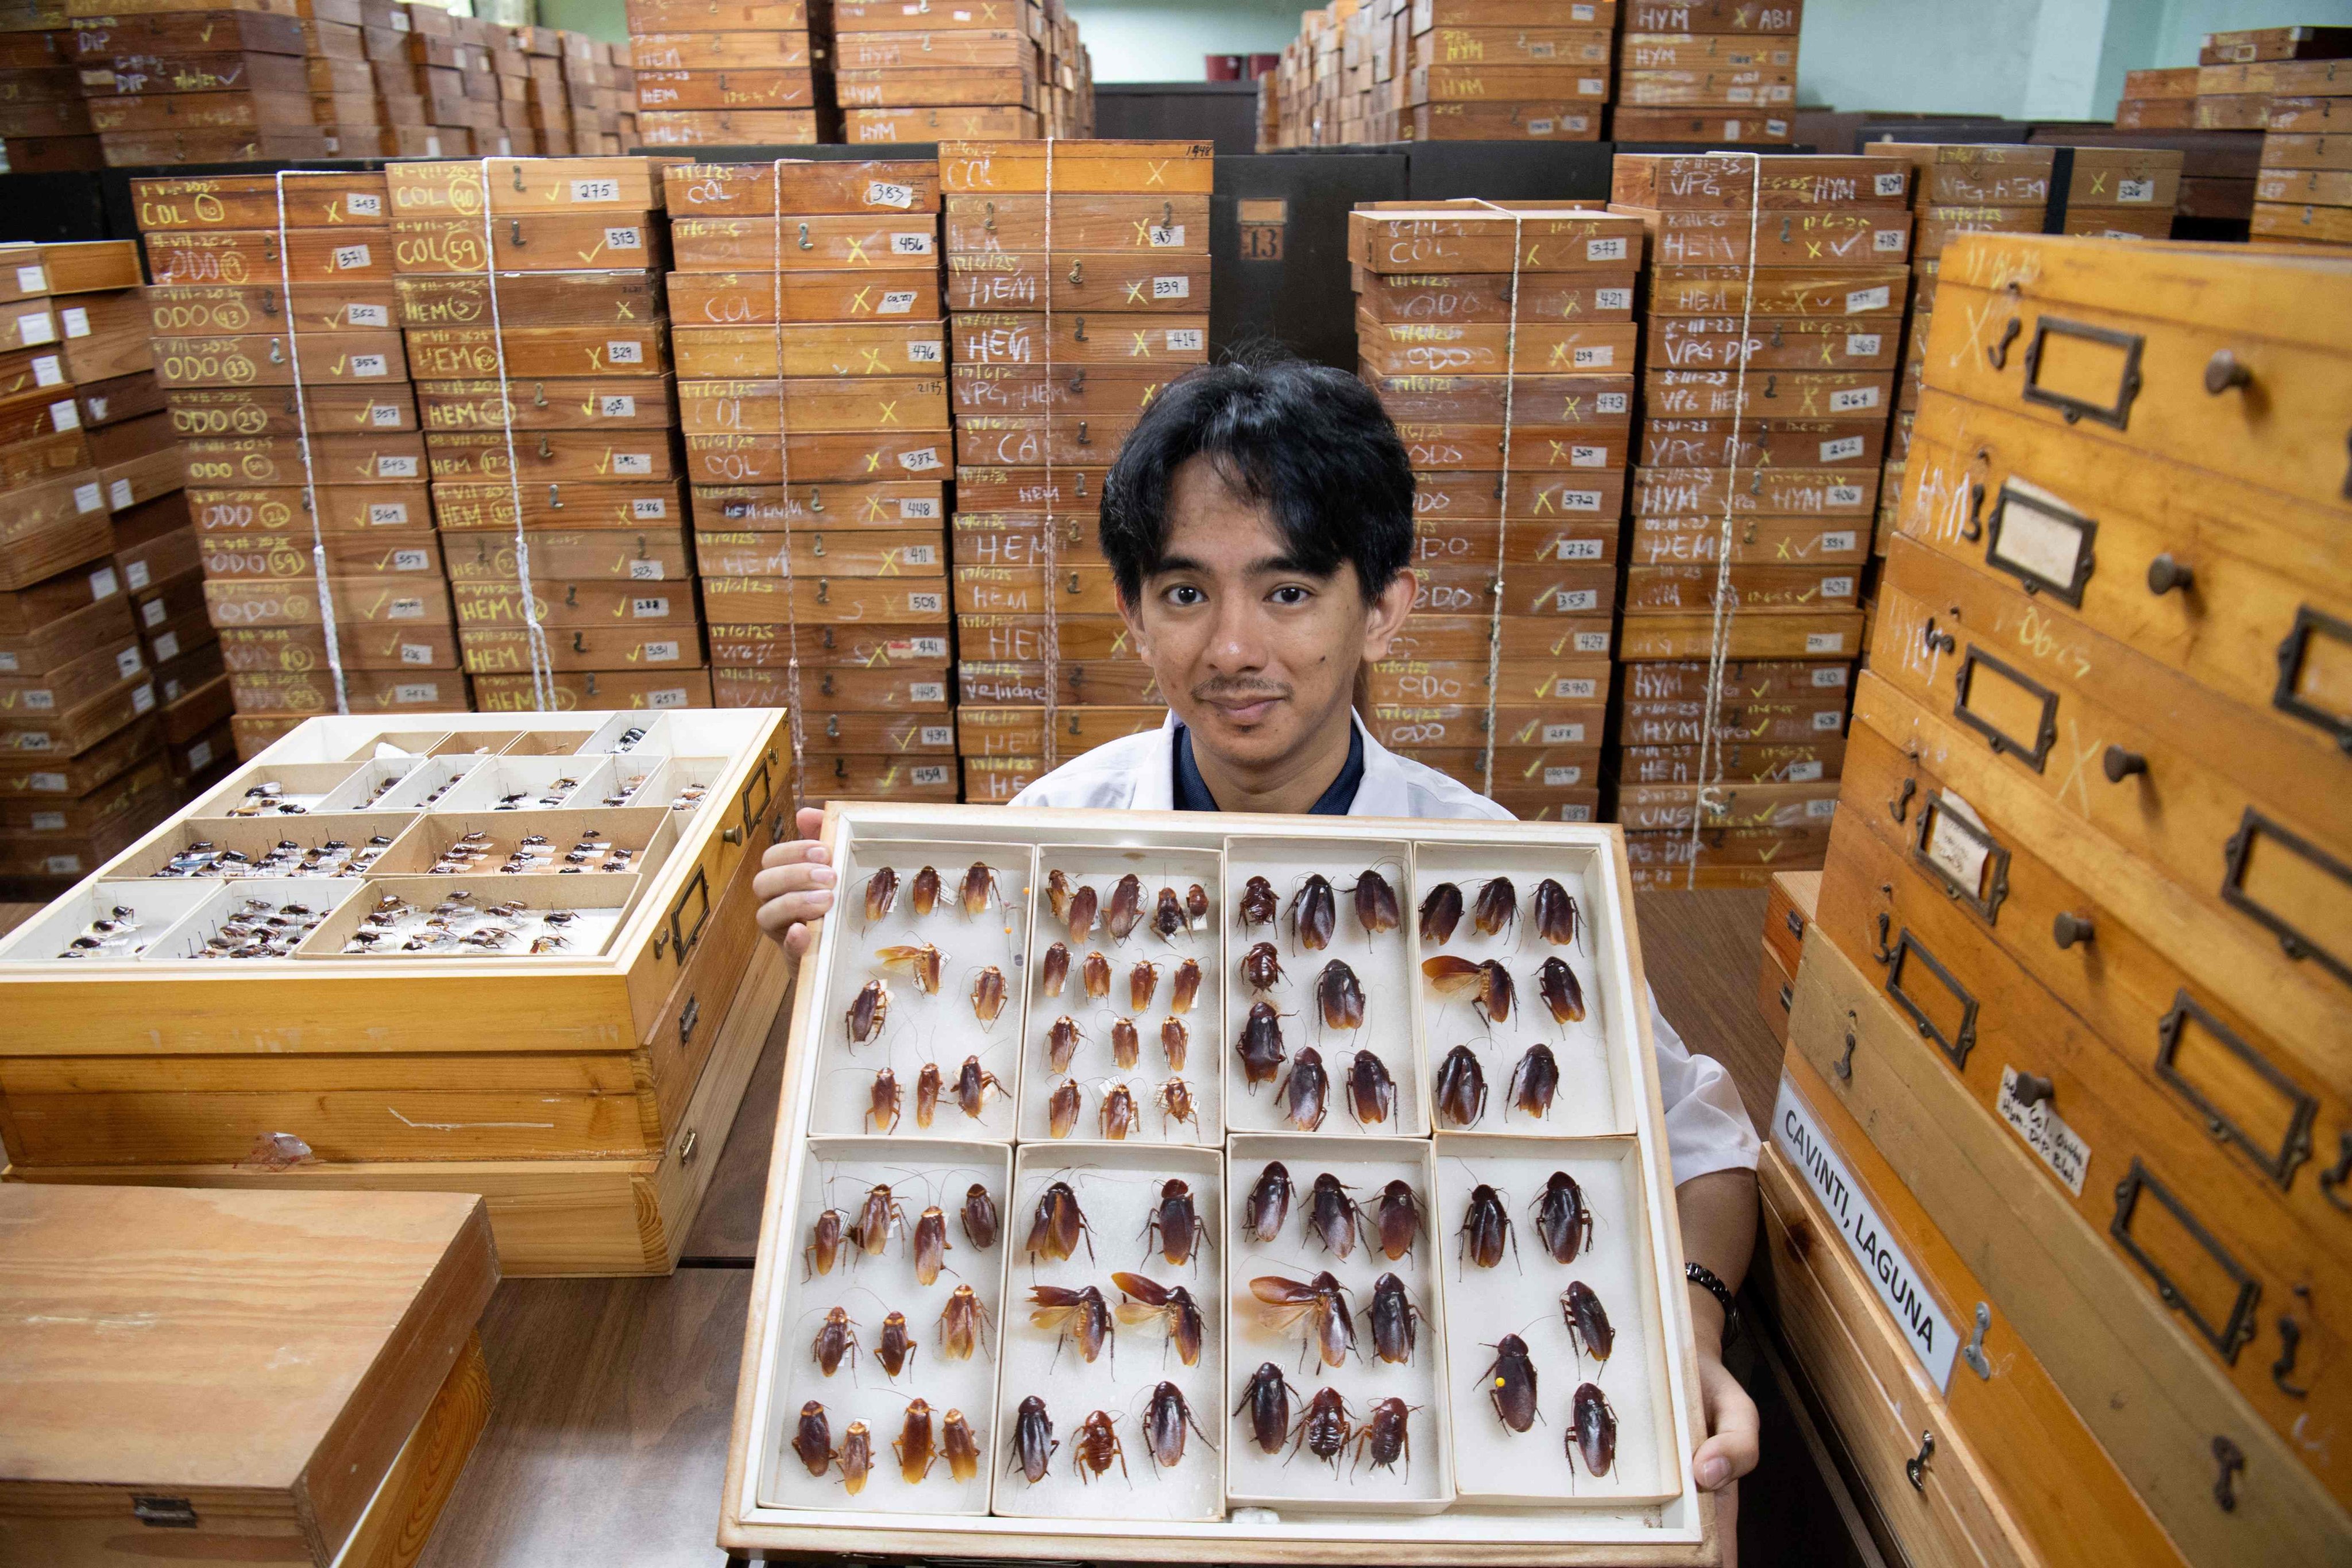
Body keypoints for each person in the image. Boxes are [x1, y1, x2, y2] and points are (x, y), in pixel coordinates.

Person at [755, 353, 1762, 1539]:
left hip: (1396, 1463)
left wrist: (1690, 1325)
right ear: (1133, 613)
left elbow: (1699, 1139)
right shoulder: (1046, 843)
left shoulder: (1486, 860)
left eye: (1285, 594)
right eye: (1185, 595)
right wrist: (848, 966)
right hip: (1114, 1435)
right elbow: (928, 1127)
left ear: (1382, 608)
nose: (1231, 647)